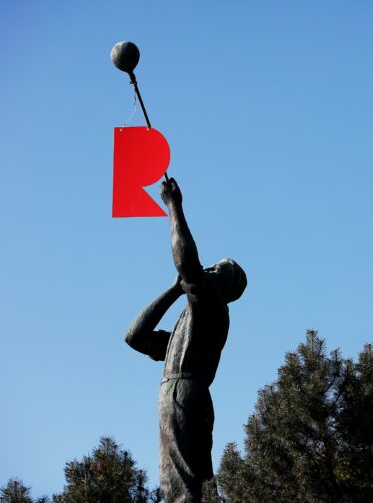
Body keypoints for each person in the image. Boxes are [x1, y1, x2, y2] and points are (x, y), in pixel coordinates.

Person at [124, 177, 247, 503]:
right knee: (183, 485)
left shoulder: (212, 305)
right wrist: (173, 290)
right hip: (177, 390)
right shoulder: (188, 327)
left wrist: (173, 206)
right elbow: (135, 337)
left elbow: (188, 263)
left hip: (184, 391)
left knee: (184, 489)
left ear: (226, 282)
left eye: (218, 269)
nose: (209, 269)